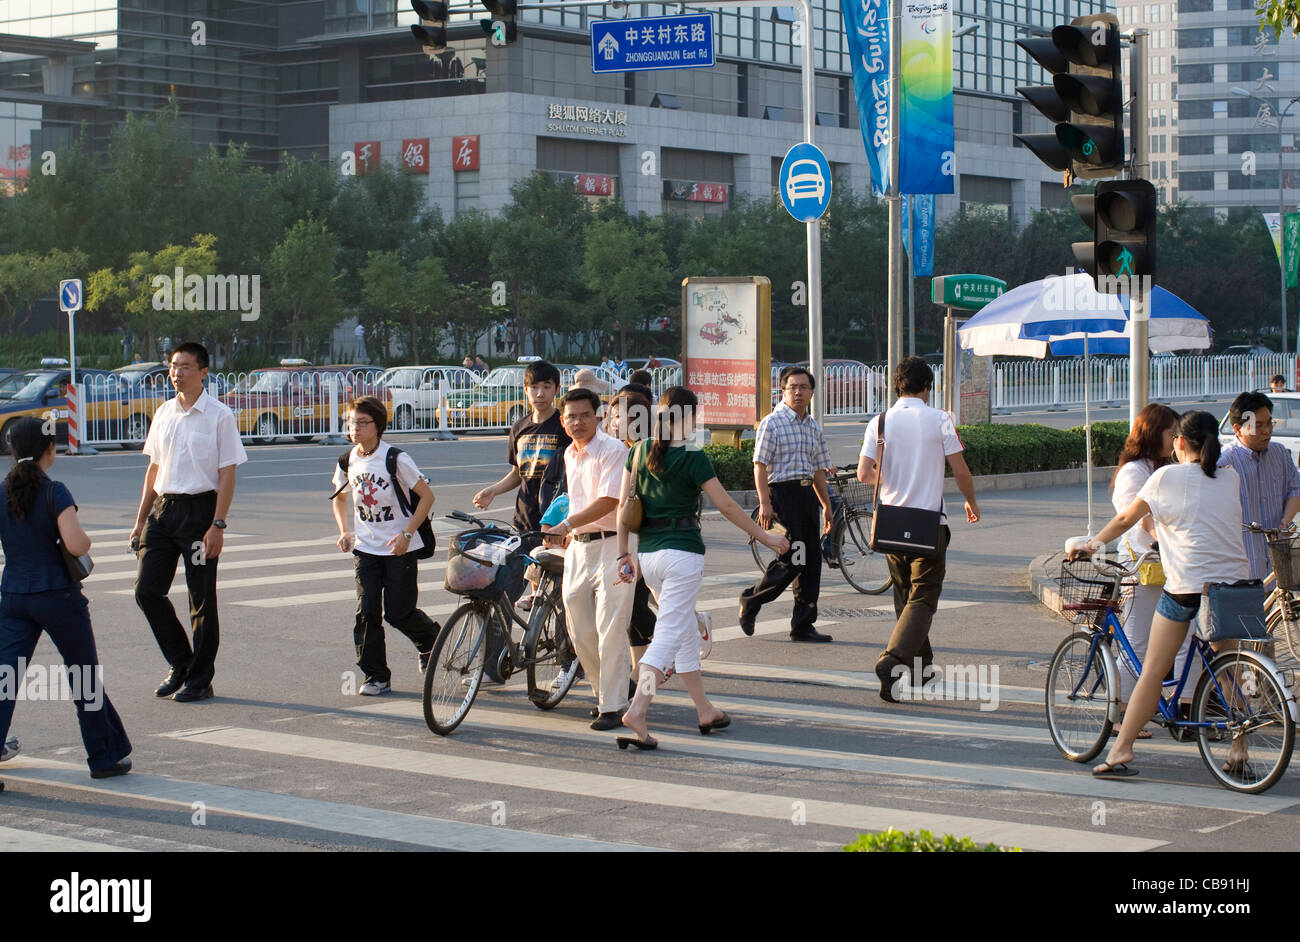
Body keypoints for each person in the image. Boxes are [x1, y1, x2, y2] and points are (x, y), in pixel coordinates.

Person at [1076, 411, 1249, 778]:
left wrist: (1092, 544)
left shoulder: (1165, 476)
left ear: (1179, 443)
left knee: (1153, 669)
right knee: (1229, 666)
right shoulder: (1230, 477)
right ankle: (1241, 748)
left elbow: (1126, 520)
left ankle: (1121, 750)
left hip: (1187, 587)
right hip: (1234, 586)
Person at [615, 387, 789, 749]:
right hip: (682, 556)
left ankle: (704, 709)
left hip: (648, 557)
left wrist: (622, 554)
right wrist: (766, 537)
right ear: (691, 418)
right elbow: (725, 506)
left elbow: (623, 507)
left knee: (684, 635)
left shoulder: (639, 450)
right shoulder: (694, 456)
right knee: (665, 639)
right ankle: (637, 709)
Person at [0, 417, 133, 780]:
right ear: (49, 450)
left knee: (4, 678)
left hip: (13, 595)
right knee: (84, 676)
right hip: (57, 597)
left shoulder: (2, 490)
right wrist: (85, 542)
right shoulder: (54, 490)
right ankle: (104, 757)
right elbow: (76, 544)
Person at [857, 356, 980, 702]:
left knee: (905, 598)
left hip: (892, 522)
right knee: (923, 597)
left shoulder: (879, 422)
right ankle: (892, 660)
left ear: (897, 386)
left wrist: (892, 477)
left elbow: (865, 474)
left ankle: (919, 669)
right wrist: (971, 501)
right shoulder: (940, 420)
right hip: (928, 523)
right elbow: (960, 470)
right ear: (928, 387)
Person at [131, 342, 246, 702]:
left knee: (200, 599)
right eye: (173, 365)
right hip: (163, 515)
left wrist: (218, 524)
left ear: (203, 372)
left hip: (200, 516)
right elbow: (154, 468)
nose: (176, 372)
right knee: (147, 591)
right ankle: (180, 662)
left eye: (184, 366)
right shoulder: (164, 412)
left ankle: (200, 678)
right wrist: (140, 522)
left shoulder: (219, 416)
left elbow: (227, 474)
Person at [330, 396, 440, 696]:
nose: (355, 429)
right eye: (351, 422)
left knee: (398, 612)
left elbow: (427, 497)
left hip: (398, 548)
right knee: (366, 613)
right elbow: (339, 496)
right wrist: (344, 531)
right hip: (366, 548)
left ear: (378, 426)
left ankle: (430, 639)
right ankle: (376, 675)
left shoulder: (396, 459)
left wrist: (406, 533)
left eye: (363, 423)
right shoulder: (347, 460)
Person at [473, 360, 570, 678]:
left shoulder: (564, 426)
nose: (539, 393)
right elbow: (518, 472)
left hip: (557, 528)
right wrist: (493, 490)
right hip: (523, 523)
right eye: (534, 387)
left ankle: (568, 663)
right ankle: (494, 666)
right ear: (525, 390)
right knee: (501, 594)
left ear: (556, 390)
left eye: (546, 387)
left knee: (559, 600)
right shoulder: (520, 427)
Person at [544, 387, 632, 729]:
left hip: (614, 544)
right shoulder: (569, 454)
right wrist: (559, 525)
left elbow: (609, 501)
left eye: (584, 415)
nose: (577, 422)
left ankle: (613, 705)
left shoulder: (613, 450)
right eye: (570, 417)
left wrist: (566, 524)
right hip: (579, 546)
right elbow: (576, 500)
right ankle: (604, 694)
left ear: (599, 415)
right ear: (563, 421)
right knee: (578, 628)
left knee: (610, 626)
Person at [738, 365, 835, 643]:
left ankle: (803, 624)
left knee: (811, 560)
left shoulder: (813, 426)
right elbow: (760, 466)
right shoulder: (773, 422)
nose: (798, 392)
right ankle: (752, 600)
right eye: (792, 387)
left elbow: (818, 470)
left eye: (803, 387)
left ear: (812, 392)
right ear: (783, 391)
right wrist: (765, 502)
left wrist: (826, 505)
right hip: (782, 496)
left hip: (807, 498)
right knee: (793, 557)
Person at [1111, 403, 1194, 726]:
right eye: (1170, 433)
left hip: (1167, 564)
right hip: (1139, 566)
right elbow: (1135, 515)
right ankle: (1118, 712)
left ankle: (1183, 705)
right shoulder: (1134, 470)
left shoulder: (1164, 469)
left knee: (1179, 640)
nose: (1175, 440)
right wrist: (1160, 536)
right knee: (1137, 644)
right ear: (1152, 432)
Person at [1219, 391, 1300, 580]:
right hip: (1244, 563)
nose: (1267, 430)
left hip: (1279, 558)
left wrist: (1286, 520)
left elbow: (1295, 488)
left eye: (1270, 423)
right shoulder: (1225, 461)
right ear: (1238, 429)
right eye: (1258, 426)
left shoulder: (1279, 453)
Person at [607, 383, 657, 680]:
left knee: (634, 605)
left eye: (622, 417)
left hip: (643, 537)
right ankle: (639, 672)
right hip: (612, 537)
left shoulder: (649, 450)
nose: (616, 422)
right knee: (630, 607)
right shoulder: (603, 447)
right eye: (612, 417)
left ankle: (678, 638)